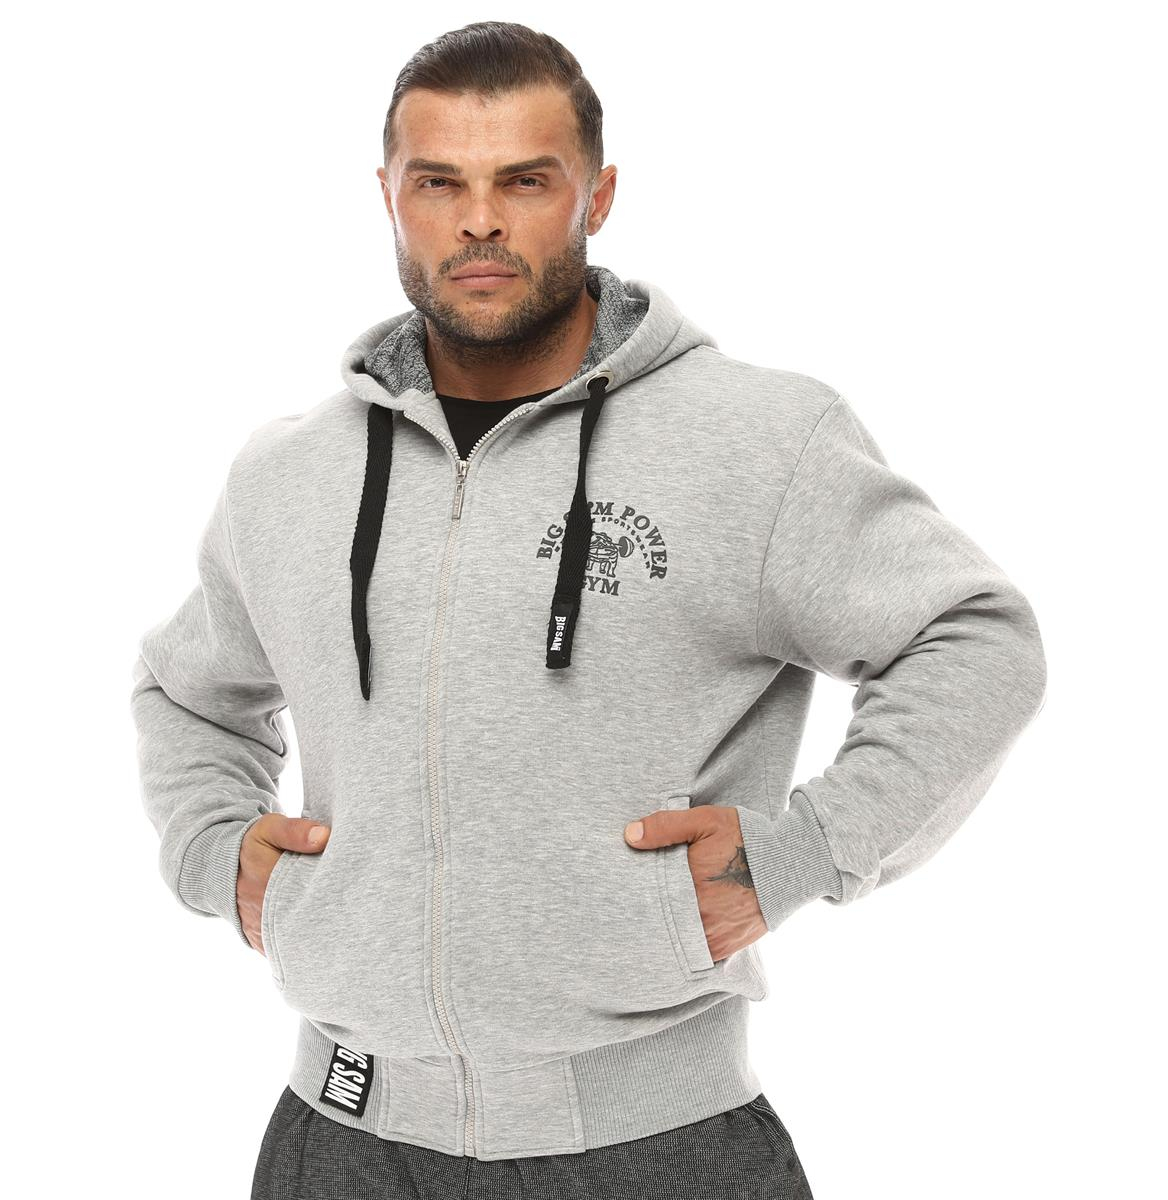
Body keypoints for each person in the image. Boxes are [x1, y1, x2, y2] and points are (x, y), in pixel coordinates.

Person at [129, 20, 1047, 1200]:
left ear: (597, 195)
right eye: (439, 183)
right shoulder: (289, 473)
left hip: (656, 1151)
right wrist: (216, 851)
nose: (479, 221)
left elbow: (973, 638)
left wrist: (806, 848)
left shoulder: (753, 441)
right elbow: (189, 691)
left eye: (524, 180)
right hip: (337, 1141)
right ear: (388, 198)